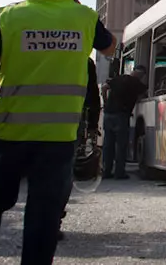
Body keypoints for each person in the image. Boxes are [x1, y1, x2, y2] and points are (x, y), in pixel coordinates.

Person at [0, 0, 116, 265]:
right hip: (58, 137)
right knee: (45, 214)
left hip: (11, 131)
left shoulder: (11, 15)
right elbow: (109, 48)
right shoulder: (84, 17)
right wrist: (76, 6)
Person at [58, 56, 102, 242]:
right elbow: (92, 96)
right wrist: (92, 126)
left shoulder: (32, 45)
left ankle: (38, 218)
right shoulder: (84, 60)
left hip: (29, 121)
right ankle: (53, 219)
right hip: (69, 122)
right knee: (62, 171)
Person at [100, 65, 146, 179]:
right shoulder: (138, 84)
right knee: (121, 145)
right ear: (142, 75)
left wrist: (106, 102)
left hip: (109, 114)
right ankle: (119, 173)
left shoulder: (118, 78)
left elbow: (104, 88)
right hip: (121, 116)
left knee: (108, 144)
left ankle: (106, 171)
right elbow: (144, 96)